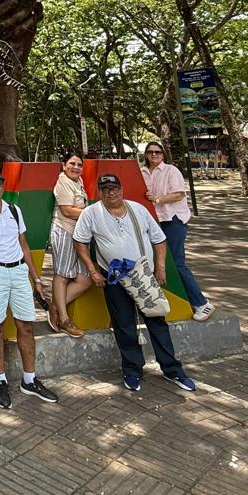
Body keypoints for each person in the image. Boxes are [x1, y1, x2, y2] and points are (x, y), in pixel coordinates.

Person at [73, 173, 196, 393]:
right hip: (115, 278)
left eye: (114, 188)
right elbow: (80, 242)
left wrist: (159, 267)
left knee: (157, 321)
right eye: (106, 189)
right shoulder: (91, 213)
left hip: (144, 276)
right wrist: (93, 271)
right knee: (124, 324)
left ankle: (172, 369)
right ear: (99, 193)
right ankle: (132, 370)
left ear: (121, 189)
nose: (111, 192)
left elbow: (159, 239)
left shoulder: (138, 209)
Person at [0, 170, 58, 407]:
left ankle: (29, 379)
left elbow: (24, 245)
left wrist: (36, 279)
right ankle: (0, 380)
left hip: (18, 271)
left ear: (3, 186)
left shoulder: (14, 210)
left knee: (26, 325)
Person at [142, 141, 213, 321]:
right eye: (150, 152)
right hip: (153, 221)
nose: (154, 155)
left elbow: (179, 194)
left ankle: (202, 303)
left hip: (172, 219)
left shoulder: (171, 171)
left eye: (157, 152)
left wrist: (157, 199)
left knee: (175, 261)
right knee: (153, 261)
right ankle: (169, 300)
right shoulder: (142, 172)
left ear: (163, 154)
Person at [48, 152, 96, 338]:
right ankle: (65, 320)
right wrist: (93, 214)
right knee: (62, 275)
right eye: (72, 163)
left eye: (79, 165)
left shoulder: (79, 182)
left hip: (80, 235)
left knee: (85, 279)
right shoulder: (63, 182)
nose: (76, 167)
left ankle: (55, 308)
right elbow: (67, 211)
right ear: (64, 165)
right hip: (64, 232)